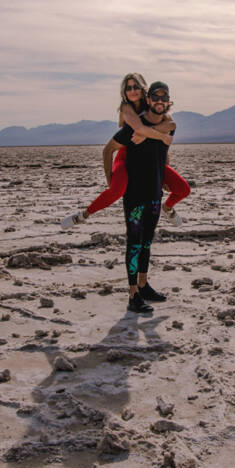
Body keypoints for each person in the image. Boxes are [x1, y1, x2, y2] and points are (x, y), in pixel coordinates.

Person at [60, 73, 189, 229]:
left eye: (136, 87)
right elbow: (116, 144)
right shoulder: (126, 109)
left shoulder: (154, 108)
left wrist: (162, 173)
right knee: (116, 191)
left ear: (144, 91)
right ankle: (82, 216)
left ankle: (167, 208)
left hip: (150, 159)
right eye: (128, 88)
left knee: (183, 189)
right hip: (126, 156)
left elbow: (167, 132)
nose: (133, 91)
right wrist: (109, 180)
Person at [101, 81, 175, 312]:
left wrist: (164, 177)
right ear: (149, 100)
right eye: (156, 97)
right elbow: (108, 149)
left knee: (146, 243)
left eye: (164, 98)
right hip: (134, 195)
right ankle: (133, 295)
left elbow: (164, 152)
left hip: (154, 193)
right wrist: (111, 182)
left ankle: (144, 286)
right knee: (134, 244)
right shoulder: (133, 127)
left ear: (168, 101)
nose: (160, 102)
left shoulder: (169, 126)